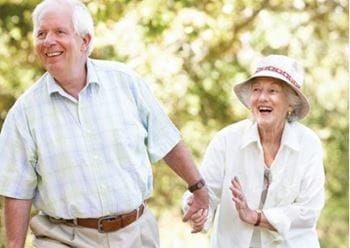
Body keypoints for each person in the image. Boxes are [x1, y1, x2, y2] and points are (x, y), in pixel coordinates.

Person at [0, 0, 208, 247]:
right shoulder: (24, 113)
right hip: (64, 237)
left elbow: (166, 140)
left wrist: (198, 187)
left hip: (135, 233)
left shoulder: (125, 83)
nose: (48, 41)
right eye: (41, 34)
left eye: (60, 32)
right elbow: (17, 190)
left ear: (84, 41)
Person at [183, 55, 325, 247]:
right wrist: (200, 211)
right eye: (256, 89)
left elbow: (309, 210)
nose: (262, 97)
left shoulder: (308, 143)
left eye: (273, 90)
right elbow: (207, 192)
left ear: (291, 103)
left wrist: (256, 217)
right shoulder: (226, 140)